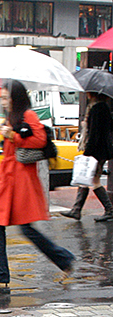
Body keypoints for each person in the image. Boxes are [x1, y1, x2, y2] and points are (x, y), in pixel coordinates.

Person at [0, 79, 74, 288]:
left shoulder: (28, 115)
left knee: (25, 229)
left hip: (21, 180)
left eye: (6, 98)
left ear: (16, 98)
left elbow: (39, 140)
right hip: (8, 179)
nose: (3, 102)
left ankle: (64, 259)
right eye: (2, 98)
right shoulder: (11, 117)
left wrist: (13, 135)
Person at [61, 91, 113, 222]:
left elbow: (95, 134)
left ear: (93, 93)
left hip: (97, 151)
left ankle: (109, 210)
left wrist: (88, 152)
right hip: (101, 149)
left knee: (94, 181)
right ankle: (76, 210)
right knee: (84, 179)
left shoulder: (97, 108)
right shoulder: (103, 107)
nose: (87, 94)